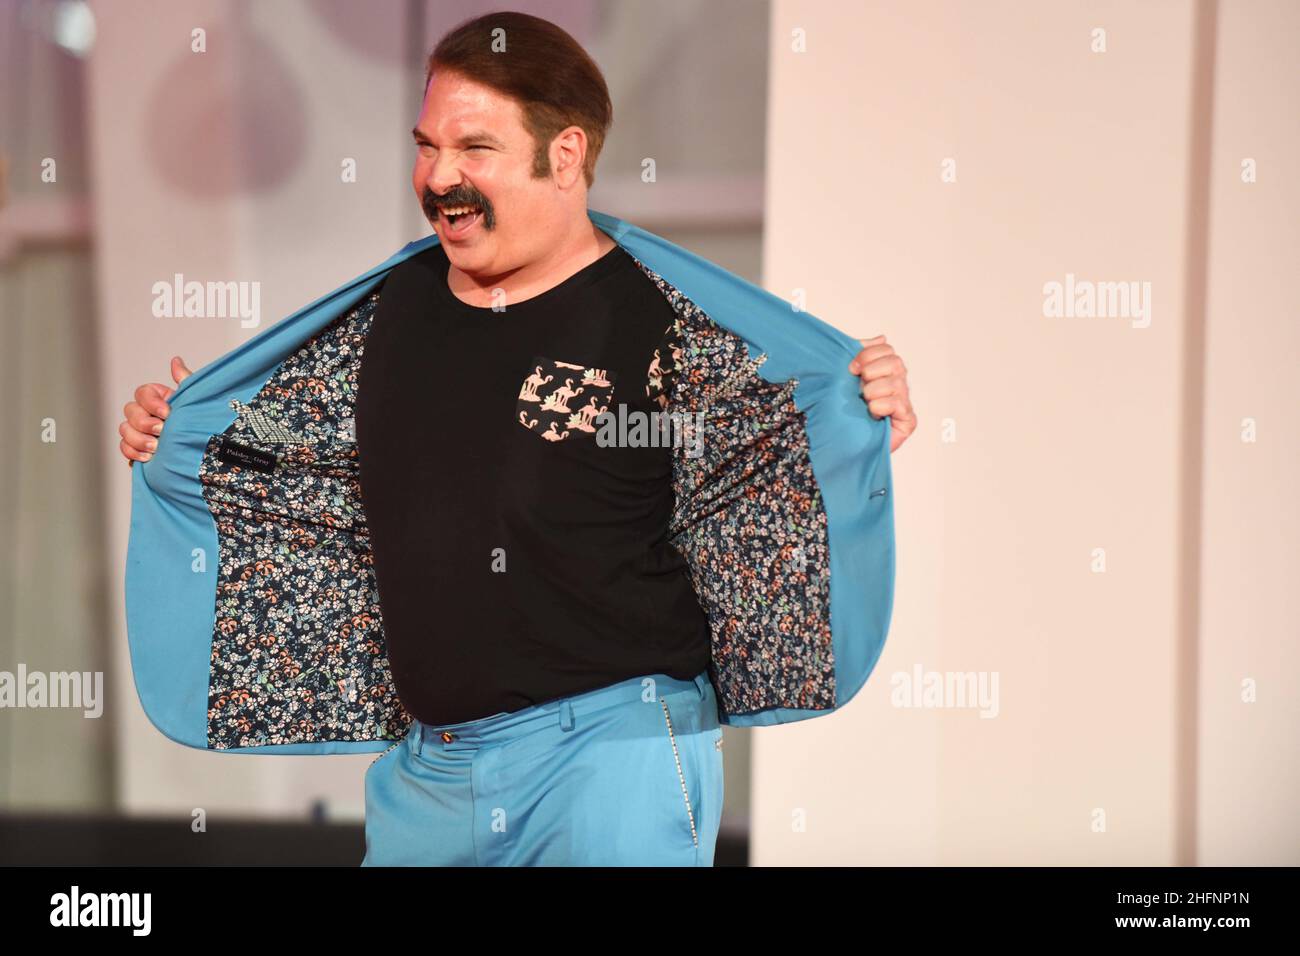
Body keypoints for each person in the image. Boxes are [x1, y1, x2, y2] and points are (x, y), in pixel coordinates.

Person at [117, 11, 916, 866]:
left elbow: (771, 446)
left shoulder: (654, 316)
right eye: (426, 146)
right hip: (427, 774)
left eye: (474, 150)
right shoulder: (395, 306)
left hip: (610, 762)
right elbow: (288, 458)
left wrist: (861, 410)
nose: (438, 178)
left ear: (564, 156)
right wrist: (176, 432)